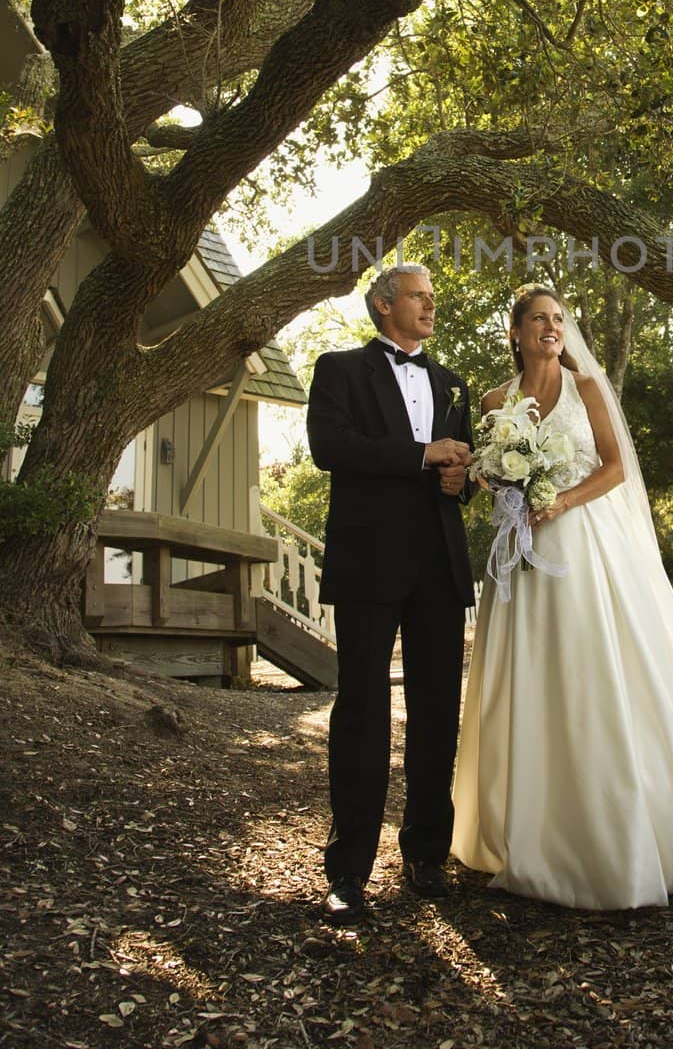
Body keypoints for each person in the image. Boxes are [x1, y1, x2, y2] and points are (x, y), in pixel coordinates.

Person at [452, 285, 673, 910]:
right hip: (521, 554)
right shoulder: (492, 402)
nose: (551, 326)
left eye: (559, 319)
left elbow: (616, 467)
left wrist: (557, 499)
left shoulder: (586, 387)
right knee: (528, 677)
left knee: (596, 669)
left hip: (584, 543)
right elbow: (486, 474)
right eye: (538, 318)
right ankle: (532, 832)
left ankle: (625, 828)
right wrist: (502, 484)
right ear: (513, 332)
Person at [306, 263, 474, 925]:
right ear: (383, 305)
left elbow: (454, 466)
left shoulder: (452, 382)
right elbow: (330, 447)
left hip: (438, 565)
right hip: (368, 562)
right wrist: (422, 454)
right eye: (418, 297)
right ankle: (348, 870)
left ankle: (426, 853)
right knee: (362, 712)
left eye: (433, 298)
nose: (430, 306)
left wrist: (458, 476)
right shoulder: (338, 369)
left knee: (438, 712)